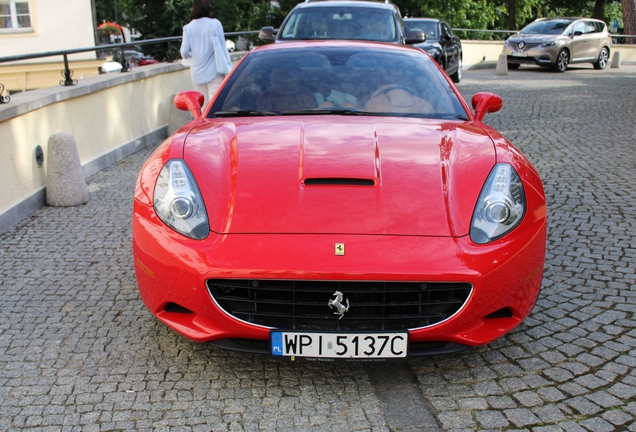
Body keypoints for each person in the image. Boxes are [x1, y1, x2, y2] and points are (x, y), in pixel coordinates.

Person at [180, 0, 233, 106]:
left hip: (197, 73)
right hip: (215, 71)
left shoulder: (188, 28)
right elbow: (222, 48)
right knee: (215, 104)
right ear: (206, 6)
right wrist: (229, 69)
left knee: (202, 106)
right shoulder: (215, 24)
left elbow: (184, 52)